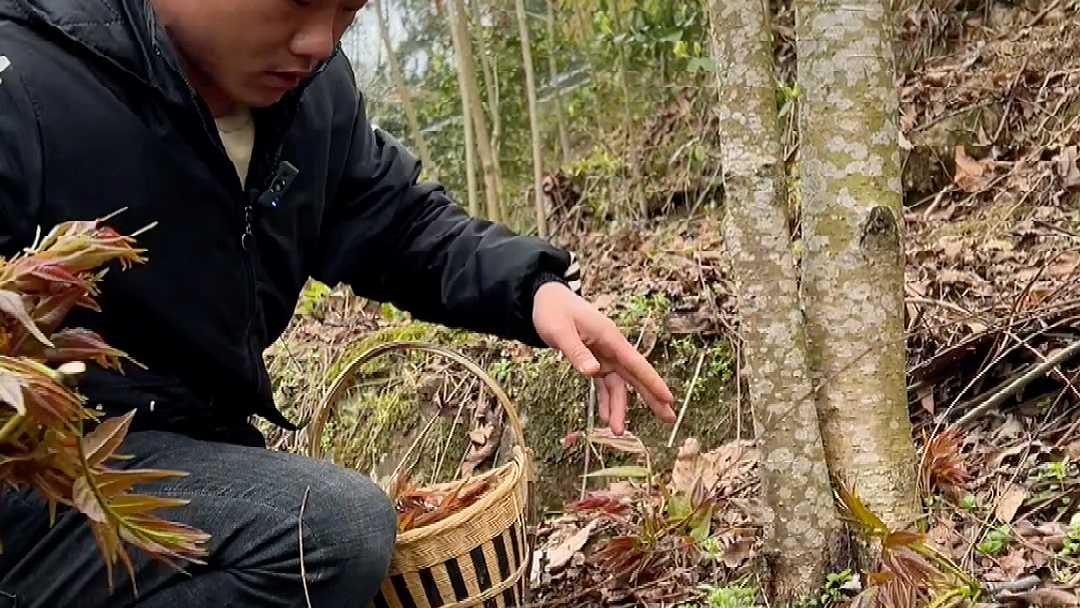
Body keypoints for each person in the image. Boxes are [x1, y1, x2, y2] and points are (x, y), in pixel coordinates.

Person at [0, 0, 676, 606]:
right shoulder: (25, 86)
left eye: (347, 11)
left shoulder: (307, 99)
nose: (319, 41)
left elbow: (391, 220)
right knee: (330, 530)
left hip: (180, 446)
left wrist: (534, 291)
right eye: (296, 5)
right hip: (43, 473)